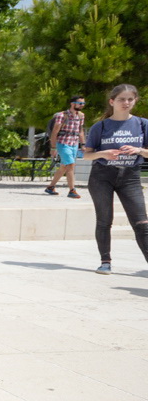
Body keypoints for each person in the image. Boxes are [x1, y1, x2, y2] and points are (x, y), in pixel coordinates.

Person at [83, 84, 148, 275]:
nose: (126, 103)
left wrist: (139, 150)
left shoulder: (143, 124)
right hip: (102, 177)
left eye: (130, 99)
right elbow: (87, 155)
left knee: (142, 223)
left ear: (135, 101)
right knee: (104, 220)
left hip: (130, 177)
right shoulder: (100, 126)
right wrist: (103, 153)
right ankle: (105, 261)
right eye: (121, 99)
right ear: (112, 101)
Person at [45, 94, 86, 199]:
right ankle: (72, 190)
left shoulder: (81, 116)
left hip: (74, 144)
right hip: (63, 143)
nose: (82, 105)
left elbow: (80, 131)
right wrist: (53, 148)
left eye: (83, 103)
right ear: (72, 103)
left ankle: (50, 187)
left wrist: (84, 145)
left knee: (64, 166)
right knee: (71, 165)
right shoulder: (62, 115)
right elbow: (54, 132)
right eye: (80, 103)